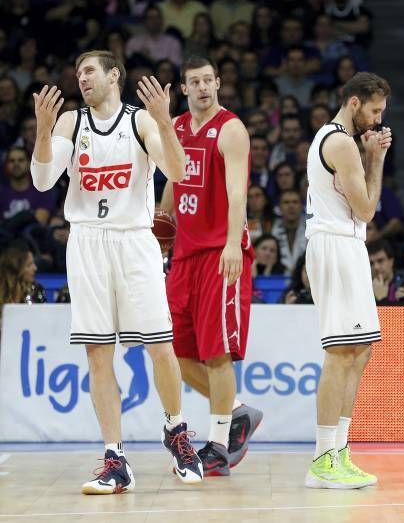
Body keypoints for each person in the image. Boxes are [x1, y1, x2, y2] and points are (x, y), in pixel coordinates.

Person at [30, 50, 202, 494]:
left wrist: (165, 120)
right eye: (77, 72)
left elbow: (178, 171)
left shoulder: (139, 121)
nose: (80, 78)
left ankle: (176, 430)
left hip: (133, 241)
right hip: (87, 241)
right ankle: (115, 457)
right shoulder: (71, 122)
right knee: (97, 354)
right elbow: (43, 180)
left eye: (88, 70)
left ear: (113, 76)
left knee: (161, 347)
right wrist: (44, 131)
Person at [159, 56, 262, 477]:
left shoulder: (231, 129)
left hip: (220, 253)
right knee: (173, 352)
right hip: (183, 255)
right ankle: (237, 411)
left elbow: (238, 193)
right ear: (184, 89)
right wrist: (159, 224)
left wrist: (233, 244)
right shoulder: (178, 127)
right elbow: (172, 179)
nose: (203, 87)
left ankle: (218, 444)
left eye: (208, 80)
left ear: (218, 82)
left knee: (216, 353)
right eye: (194, 82)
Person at [303, 71, 391, 488]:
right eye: (374, 111)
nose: (377, 120)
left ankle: (339, 449)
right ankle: (322, 458)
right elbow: (369, 208)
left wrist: (369, 155)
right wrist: (377, 159)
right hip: (336, 245)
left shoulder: (339, 140)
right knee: (340, 354)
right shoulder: (340, 142)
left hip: (345, 244)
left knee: (360, 351)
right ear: (354, 103)